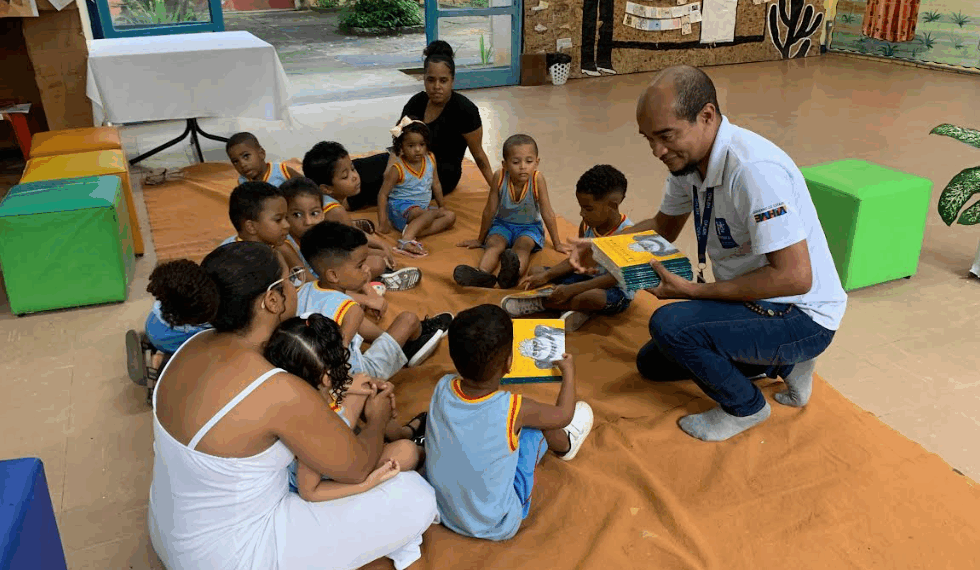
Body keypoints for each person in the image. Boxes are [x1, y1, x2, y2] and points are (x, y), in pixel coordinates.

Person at [568, 65, 847, 442]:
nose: (657, 151)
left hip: (800, 315)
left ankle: (746, 406)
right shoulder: (688, 163)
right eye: (648, 139)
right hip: (756, 301)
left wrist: (693, 291)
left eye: (666, 136)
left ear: (707, 116)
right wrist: (602, 248)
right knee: (652, 363)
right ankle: (786, 363)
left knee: (669, 325)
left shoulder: (752, 170)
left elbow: (794, 277)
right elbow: (662, 227)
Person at [147, 241, 439, 570]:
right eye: (292, 279)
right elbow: (357, 468)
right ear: (272, 299)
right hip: (231, 557)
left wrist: (344, 390)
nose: (297, 285)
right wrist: (377, 420)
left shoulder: (191, 346)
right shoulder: (278, 388)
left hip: (169, 528)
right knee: (416, 497)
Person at [424, 304, 594, 541]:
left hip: (443, 510)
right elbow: (564, 414)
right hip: (497, 522)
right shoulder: (516, 408)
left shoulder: (443, 385)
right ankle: (566, 445)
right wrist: (569, 372)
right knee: (535, 430)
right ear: (509, 363)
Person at [263, 314, 427, 503]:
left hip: (336, 446)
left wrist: (355, 387)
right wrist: (366, 485)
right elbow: (310, 491)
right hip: (330, 479)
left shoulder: (293, 393)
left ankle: (403, 434)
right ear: (326, 378)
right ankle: (420, 452)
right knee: (408, 452)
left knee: (364, 389)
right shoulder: (312, 429)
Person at [345, 41, 496, 210]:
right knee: (361, 167)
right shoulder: (417, 102)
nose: (437, 86)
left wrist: (497, 190)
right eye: (431, 80)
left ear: (452, 81)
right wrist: (390, 166)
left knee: (379, 183)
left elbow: (479, 156)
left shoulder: (465, 110)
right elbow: (399, 142)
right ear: (424, 79)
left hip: (440, 174)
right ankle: (323, 188)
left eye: (443, 81)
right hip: (408, 159)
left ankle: (337, 204)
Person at [297, 221, 453, 378]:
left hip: (310, 373)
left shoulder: (305, 289)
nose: (366, 269)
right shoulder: (351, 308)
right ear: (333, 275)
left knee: (350, 319)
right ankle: (414, 343)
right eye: (360, 265)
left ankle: (393, 341)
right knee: (408, 319)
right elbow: (339, 354)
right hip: (360, 376)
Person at [503, 164, 635, 332]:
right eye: (581, 207)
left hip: (615, 290)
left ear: (613, 206)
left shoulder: (627, 233)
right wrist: (547, 275)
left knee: (590, 297)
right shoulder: (588, 224)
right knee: (536, 271)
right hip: (586, 277)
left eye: (588, 208)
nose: (581, 214)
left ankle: (543, 303)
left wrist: (572, 289)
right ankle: (578, 310)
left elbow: (613, 279)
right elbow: (576, 259)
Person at [303, 142, 425, 292]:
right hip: (322, 268)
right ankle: (381, 280)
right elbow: (355, 247)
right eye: (345, 176)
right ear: (326, 188)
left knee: (376, 249)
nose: (354, 177)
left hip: (325, 250)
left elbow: (352, 232)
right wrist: (381, 249)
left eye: (353, 169)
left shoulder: (321, 200)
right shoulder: (335, 211)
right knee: (379, 261)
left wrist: (380, 243)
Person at [453, 134, 568, 290]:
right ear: (505, 165)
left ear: (537, 162)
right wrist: (480, 240)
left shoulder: (537, 180)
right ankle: (482, 274)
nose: (523, 166)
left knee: (522, 247)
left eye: (529, 161)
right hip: (502, 224)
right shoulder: (499, 177)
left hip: (529, 228)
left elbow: (547, 211)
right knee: (494, 245)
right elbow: (489, 210)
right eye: (515, 162)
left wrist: (557, 243)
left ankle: (512, 275)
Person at [281, 176, 421, 294]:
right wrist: (364, 295)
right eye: (297, 215)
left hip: (334, 274)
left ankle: (369, 283)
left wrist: (363, 280)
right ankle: (367, 285)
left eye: (314, 213)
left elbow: (346, 258)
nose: (308, 222)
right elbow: (310, 284)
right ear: (284, 217)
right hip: (317, 286)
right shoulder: (286, 245)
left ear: (323, 213)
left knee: (376, 262)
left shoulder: (321, 232)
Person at [125, 261, 214, 394]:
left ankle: (151, 345)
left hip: (154, 326)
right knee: (212, 344)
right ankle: (163, 361)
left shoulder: (169, 296)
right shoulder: (198, 312)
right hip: (172, 340)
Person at [378, 117, 456, 257]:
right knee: (425, 214)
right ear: (401, 146)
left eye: (422, 144)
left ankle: (411, 232)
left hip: (422, 210)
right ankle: (406, 240)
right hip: (402, 207)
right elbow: (383, 194)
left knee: (450, 217)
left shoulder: (431, 158)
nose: (418, 150)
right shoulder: (397, 168)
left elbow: (436, 183)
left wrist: (442, 205)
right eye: (411, 146)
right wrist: (382, 221)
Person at [219, 181, 307, 275]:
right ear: (251, 227)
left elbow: (304, 277)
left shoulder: (280, 242)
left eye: (286, 218)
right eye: (278, 220)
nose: (287, 225)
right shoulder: (230, 260)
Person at [226, 132, 301, 186]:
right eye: (235, 161)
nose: (242, 164)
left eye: (246, 156)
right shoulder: (243, 182)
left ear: (261, 154)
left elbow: (306, 185)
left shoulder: (281, 170)